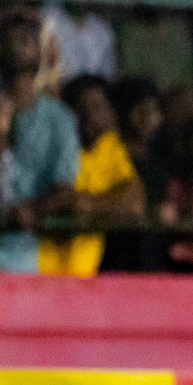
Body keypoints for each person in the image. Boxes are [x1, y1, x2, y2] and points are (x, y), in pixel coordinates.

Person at [39, 75, 143, 277]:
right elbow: (64, 203)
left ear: (111, 113)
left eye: (97, 107)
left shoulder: (109, 147)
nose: (88, 115)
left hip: (87, 276)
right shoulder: (53, 147)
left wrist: (90, 204)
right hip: (45, 272)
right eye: (79, 107)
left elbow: (135, 203)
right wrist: (107, 204)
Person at [0, 14, 79, 274]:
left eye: (30, 37)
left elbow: (64, 188)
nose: (23, 41)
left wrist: (32, 210)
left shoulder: (59, 119)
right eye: (14, 35)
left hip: (26, 257)